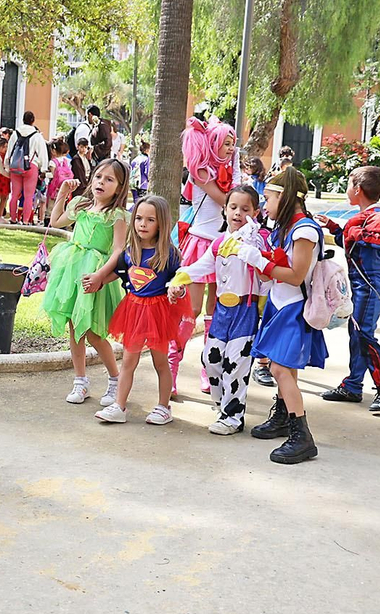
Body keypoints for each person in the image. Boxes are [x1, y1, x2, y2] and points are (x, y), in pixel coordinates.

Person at [249, 167, 328, 464]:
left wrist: (258, 261)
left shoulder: (304, 230)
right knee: (285, 370)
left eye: (267, 198)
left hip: (294, 307)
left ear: (284, 197)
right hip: (280, 303)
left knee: (280, 370)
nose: (264, 205)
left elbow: (296, 276)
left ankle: (302, 436)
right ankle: (283, 418)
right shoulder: (286, 228)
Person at [173, 187, 268, 434]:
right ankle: (223, 406)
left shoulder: (257, 240)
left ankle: (233, 417)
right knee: (211, 359)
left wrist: (252, 244)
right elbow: (200, 266)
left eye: (245, 209)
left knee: (236, 365)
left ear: (255, 212)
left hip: (245, 312)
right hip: (222, 314)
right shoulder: (218, 243)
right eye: (233, 207)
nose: (238, 213)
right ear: (224, 210)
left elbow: (265, 272)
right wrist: (177, 279)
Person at [42, 160, 131, 408]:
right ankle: (80, 380)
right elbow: (56, 221)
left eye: (109, 179)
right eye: (98, 176)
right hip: (72, 270)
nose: (101, 182)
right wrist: (61, 194)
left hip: (94, 273)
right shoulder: (81, 205)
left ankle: (115, 379)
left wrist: (101, 275)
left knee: (93, 332)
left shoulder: (117, 215)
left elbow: (117, 251)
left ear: (120, 187)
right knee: (74, 327)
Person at [97, 194, 189, 425]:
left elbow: (181, 279)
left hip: (158, 313)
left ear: (162, 223)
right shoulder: (129, 251)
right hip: (134, 311)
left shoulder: (169, 254)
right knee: (128, 361)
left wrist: (178, 290)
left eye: (150, 220)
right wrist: (97, 281)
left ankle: (163, 407)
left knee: (160, 362)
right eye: (138, 218)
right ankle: (119, 406)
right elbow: (117, 273)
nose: (142, 224)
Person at [315, 165, 380, 412]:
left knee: (363, 335)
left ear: (358, 189)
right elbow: (352, 242)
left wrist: (354, 229)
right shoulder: (365, 218)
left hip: (371, 286)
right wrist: (335, 228)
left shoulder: (379, 218)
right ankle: (353, 385)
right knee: (357, 334)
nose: (346, 189)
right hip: (363, 286)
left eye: (349, 184)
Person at [173, 117, 237, 393]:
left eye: (233, 144)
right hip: (201, 245)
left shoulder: (232, 173)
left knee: (216, 312)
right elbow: (227, 202)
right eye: (226, 143)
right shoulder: (201, 171)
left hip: (225, 247)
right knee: (192, 311)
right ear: (213, 143)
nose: (231, 149)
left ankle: (208, 370)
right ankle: (171, 368)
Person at [7, 110, 48, 224]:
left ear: (23, 120)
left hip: (16, 167)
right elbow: (43, 154)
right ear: (33, 121)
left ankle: (13, 218)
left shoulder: (15, 133)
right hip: (31, 166)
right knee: (28, 196)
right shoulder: (37, 135)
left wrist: (7, 165)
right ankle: (25, 220)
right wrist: (43, 169)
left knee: (14, 195)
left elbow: (9, 151)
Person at [43, 137, 74, 222]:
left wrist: (44, 174)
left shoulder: (53, 162)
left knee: (51, 205)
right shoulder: (66, 161)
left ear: (53, 151)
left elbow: (53, 175)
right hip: (64, 187)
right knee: (61, 203)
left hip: (54, 187)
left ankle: (48, 220)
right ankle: (60, 220)